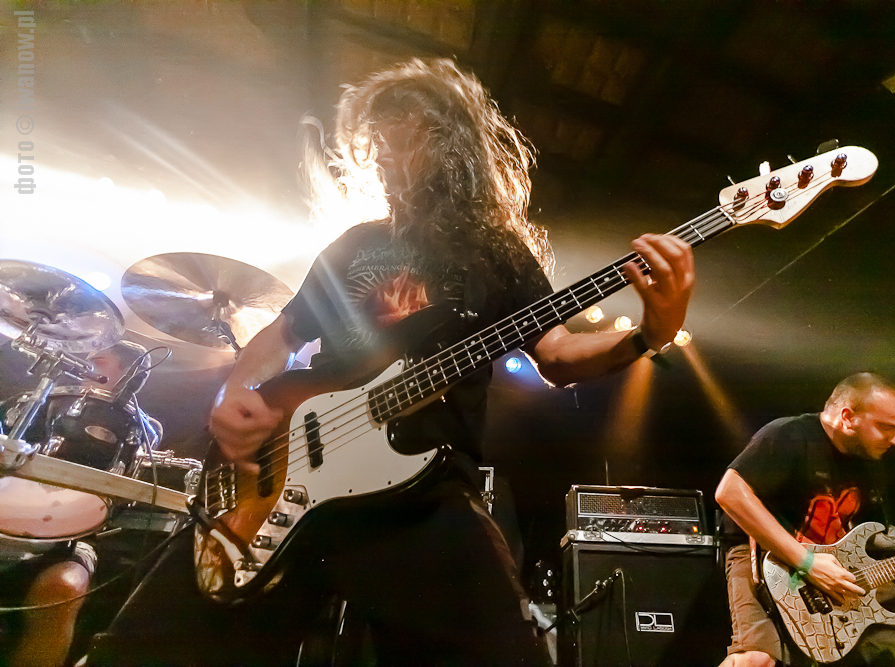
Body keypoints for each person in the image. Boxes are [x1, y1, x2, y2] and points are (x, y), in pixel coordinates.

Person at [88, 58, 694, 666]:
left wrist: (648, 335)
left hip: (421, 496)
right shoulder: (356, 243)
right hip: (292, 472)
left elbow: (557, 353)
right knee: (149, 649)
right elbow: (282, 333)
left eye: (401, 134)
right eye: (377, 137)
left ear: (448, 143)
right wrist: (233, 393)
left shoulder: (495, 252)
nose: (381, 151)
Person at [715, 372, 895, 667]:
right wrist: (807, 562)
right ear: (848, 417)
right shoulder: (790, 435)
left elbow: (878, 534)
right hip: (766, 559)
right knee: (755, 660)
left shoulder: (867, 460)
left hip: (842, 569)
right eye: (886, 428)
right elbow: (729, 493)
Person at [0, 340, 152, 667]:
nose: (84, 363)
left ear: (129, 375)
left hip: (75, 536)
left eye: (99, 360)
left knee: (63, 588)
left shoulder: (141, 428)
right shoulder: (36, 400)